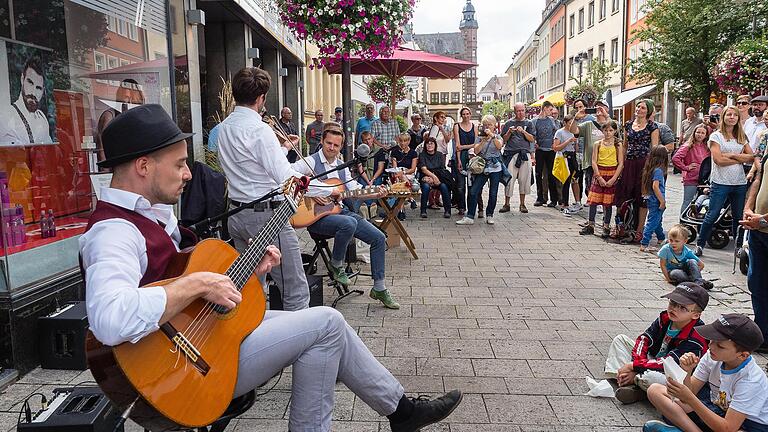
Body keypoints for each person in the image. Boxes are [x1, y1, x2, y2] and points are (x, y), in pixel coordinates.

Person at [80, 104, 464, 432]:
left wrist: (251, 272)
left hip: (203, 339)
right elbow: (110, 319)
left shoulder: (155, 215)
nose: (189, 174)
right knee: (325, 325)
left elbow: (187, 292)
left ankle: (403, 412)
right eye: (180, 163)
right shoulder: (113, 232)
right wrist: (198, 282)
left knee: (327, 328)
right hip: (182, 369)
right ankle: (402, 413)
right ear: (144, 166)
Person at [218, 67, 329, 311]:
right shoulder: (259, 130)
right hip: (265, 216)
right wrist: (327, 189)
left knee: (251, 289)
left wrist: (285, 151)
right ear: (261, 99)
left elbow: (252, 166)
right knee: (295, 292)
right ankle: (296, 347)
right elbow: (285, 177)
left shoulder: (224, 128)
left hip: (237, 213)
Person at [292, 123, 401, 310]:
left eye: (336, 145)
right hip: (316, 218)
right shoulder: (310, 162)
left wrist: (375, 194)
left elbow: (353, 191)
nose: (331, 148)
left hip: (339, 213)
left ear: (341, 146)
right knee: (348, 223)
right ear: (322, 141)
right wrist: (310, 191)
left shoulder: (342, 167)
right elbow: (287, 174)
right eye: (328, 143)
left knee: (379, 238)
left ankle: (379, 288)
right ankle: (336, 264)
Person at [642, 314, 768, 432]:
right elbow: (691, 392)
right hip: (717, 408)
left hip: (747, 425)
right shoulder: (712, 355)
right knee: (655, 390)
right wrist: (687, 370)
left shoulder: (751, 380)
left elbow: (728, 428)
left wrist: (690, 399)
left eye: (720, 346)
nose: (711, 346)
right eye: (711, 340)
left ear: (742, 355)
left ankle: (680, 426)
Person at [604, 283, 709, 405]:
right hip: (651, 361)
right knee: (620, 340)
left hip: (672, 373)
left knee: (652, 378)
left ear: (696, 315)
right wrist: (635, 363)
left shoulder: (696, 337)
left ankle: (632, 381)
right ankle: (633, 381)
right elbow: (644, 339)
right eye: (672, 303)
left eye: (682, 308)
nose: (674, 309)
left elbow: (669, 362)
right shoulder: (665, 318)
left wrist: (634, 366)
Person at [695, 105, 755, 257]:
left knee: (737, 217)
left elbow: (751, 157)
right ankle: (700, 243)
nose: (732, 118)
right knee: (713, 214)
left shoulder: (742, 136)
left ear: (738, 118)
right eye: (729, 115)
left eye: (734, 115)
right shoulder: (716, 136)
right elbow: (718, 160)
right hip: (720, 181)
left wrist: (731, 155)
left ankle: (738, 246)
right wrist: (739, 158)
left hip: (739, 182)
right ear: (724, 117)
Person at [740, 124, 768, 354]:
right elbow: (759, 177)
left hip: (763, 225)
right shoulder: (766, 141)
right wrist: (748, 207)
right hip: (759, 230)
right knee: (757, 283)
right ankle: (763, 335)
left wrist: (764, 220)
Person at [615, 99, 660, 242]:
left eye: (643, 108)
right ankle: (620, 227)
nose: (639, 109)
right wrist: (621, 163)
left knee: (642, 197)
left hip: (644, 163)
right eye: (638, 106)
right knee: (623, 194)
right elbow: (624, 145)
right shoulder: (628, 125)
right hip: (629, 162)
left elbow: (654, 148)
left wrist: (652, 167)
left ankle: (640, 230)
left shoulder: (652, 127)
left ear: (648, 112)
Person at [456, 115, 505, 225]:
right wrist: (483, 141)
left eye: (490, 125)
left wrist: (492, 136)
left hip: (495, 167)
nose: (487, 127)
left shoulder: (497, 136)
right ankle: (470, 216)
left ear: (494, 126)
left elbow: (499, 146)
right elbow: (476, 150)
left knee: (493, 193)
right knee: (474, 191)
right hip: (482, 167)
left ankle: (489, 214)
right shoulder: (479, 137)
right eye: (485, 125)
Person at [579, 121, 624, 237]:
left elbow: (620, 163)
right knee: (593, 200)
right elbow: (593, 161)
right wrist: (598, 176)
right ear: (602, 131)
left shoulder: (618, 144)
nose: (608, 133)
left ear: (615, 131)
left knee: (607, 203)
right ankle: (590, 224)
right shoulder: (598, 144)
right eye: (606, 130)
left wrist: (614, 178)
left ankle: (606, 226)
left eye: (611, 130)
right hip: (600, 171)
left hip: (612, 172)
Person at [0, 56, 53, 146]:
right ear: (22, 79)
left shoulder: (42, 119)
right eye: (30, 83)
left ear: (43, 91)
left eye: (38, 88)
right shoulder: (6, 116)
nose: (33, 93)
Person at [499, 102, 535, 214]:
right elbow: (504, 140)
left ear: (525, 110)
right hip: (511, 154)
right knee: (509, 179)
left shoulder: (529, 123)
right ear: (514, 111)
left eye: (522, 110)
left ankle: (522, 204)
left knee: (524, 179)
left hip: (524, 154)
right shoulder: (509, 123)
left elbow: (532, 139)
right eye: (518, 111)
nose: (520, 113)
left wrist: (523, 131)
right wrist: (509, 132)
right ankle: (506, 203)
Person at [658, 225, 714, 290]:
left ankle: (698, 282)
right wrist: (667, 278)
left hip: (685, 270)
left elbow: (701, 265)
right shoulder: (665, 249)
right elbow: (663, 265)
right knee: (676, 273)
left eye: (676, 241)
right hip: (673, 271)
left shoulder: (687, 251)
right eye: (671, 240)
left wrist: (694, 273)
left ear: (685, 241)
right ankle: (698, 283)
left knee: (692, 261)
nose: (673, 243)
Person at [672, 124, 710, 214]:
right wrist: (686, 168)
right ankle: (682, 224)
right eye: (698, 132)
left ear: (706, 135)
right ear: (694, 133)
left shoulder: (707, 147)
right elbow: (675, 158)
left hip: (704, 180)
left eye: (702, 133)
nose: (700, 135)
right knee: (687, 202)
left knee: (700, 202)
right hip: (691, 178)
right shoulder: (688, 145)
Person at [639, 145, 669, 253]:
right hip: (656, 199)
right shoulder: (659, 171)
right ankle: (644, 243)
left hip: (651, 198)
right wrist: (662, 201)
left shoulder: (650, 169)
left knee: (657, 220)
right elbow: (655, 186)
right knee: (652, 221)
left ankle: (661, 238)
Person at [532, 101, 560, 207]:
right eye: (550, 109)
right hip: (540, 151)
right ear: (544, 109)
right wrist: (534, 143)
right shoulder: (534, 121)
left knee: (551, 174)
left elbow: (555, 132)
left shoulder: (552, 120)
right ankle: (540, 198)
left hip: (551, 151)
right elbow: (532, 135)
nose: (551, 112)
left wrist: (554, 143)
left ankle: (554, 199)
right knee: (538, 174)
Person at [418, 137, 452, 219]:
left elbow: (442, 169)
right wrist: (433, 177)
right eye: (427, 143)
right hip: (426, 177)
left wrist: (435, 178)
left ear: (435, 145)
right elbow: (423, 169)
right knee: (426, 187)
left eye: (431, 143)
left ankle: (447, 210)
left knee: (444, 187)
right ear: (425, 145)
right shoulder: (422, 155)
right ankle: (423, 211)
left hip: (439, 177)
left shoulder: (440, 155)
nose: (429, 145)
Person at [552, 114, 579, 213]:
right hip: (564, 158)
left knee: (575, 179)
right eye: (570, 123)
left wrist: (576, 143)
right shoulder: (560, 132)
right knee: (565, 181)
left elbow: (575, 148)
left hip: (573, 157)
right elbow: (555, 147)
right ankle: (564, 203)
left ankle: (576, 201)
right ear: (565, 123)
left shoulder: (574, 132)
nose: (571, 125)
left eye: (573, 123)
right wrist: (568, 141)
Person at [452, 107, 477, 215]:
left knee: (472, 184)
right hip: (461, 155)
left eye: (467, 114)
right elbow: (457, 145)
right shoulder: (457, 126)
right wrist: (458, 160)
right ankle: (461, 207)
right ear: (461, 115)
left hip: (472, 155)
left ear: (470, 114)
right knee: (461, 185)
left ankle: (471, 207)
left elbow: (476, 144)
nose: (466, 116)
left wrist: (463, 146)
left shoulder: (474, 127)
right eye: (464, 114)